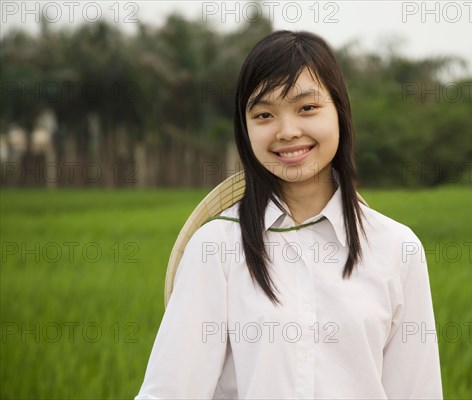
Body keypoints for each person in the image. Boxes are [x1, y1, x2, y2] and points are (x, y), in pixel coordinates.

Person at [135, 30, 443, 399]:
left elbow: (416, 390)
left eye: (307, 108)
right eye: (264, 114)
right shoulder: (216, 248)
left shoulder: (396, 248)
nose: (287, 131)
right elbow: (170, 392)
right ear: (245, 128)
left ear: (339, 112)